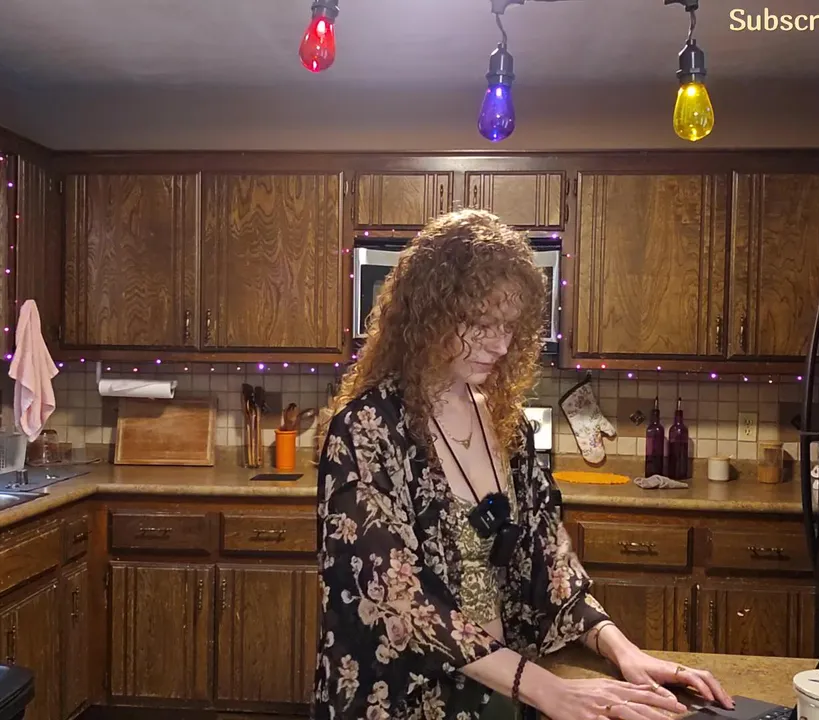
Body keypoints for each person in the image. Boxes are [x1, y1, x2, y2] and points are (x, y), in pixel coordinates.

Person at [313, 208, 734, 719]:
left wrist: (622, 649)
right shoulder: (367, 429)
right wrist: (548, 690)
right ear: (429, 315)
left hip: (501, 692)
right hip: (404, 702)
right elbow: (396, 597)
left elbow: (549, 558)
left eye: (509, 326)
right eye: (481, 324)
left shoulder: (508, 426)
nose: (501, 344)